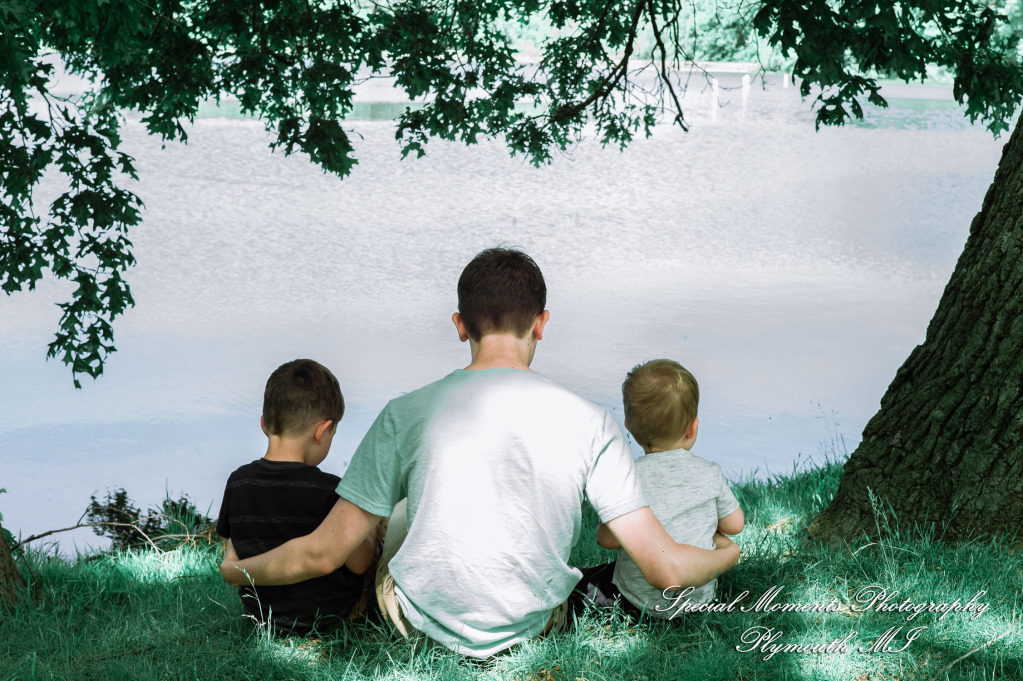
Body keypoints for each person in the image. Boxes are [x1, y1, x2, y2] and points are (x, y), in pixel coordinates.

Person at [220, 248, 740, 658]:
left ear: (459, 325)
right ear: (541, 323)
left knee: (396, 508)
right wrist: (727, 553)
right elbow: (664, 568)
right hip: (535, 627)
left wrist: (241, 570)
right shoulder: (591, 422)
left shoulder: (405, 414)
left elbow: (322, 553)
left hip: (419, 627)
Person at [216, 358, 377, 635]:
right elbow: (360, 562)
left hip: (262, 620)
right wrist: (370, 528)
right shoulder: (329, 490)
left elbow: (236, 546)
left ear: (265, 424)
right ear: (321, 432)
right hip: (330, 619)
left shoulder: (238, 482)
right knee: (374, 521)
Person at [577, 359, 745, 620]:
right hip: (700, 599)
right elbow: (735, 524)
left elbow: (607, 539)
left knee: (585, 581)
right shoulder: (709, 472)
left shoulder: (628, 476)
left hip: (637, 601)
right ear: (692, 428)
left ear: (630, 429)